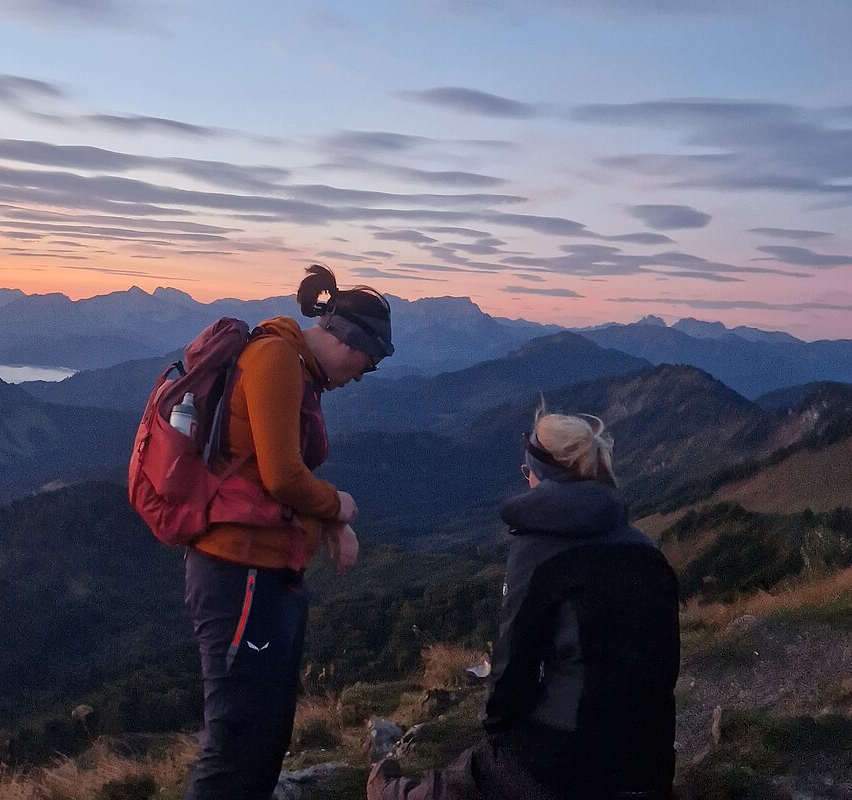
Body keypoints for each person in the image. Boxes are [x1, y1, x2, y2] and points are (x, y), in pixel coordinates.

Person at [368, 405, 680, 800]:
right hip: (648, 766)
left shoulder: (539, 552)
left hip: (567, 765)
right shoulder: (646, 551)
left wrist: (498, 734)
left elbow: (512, 666)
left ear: (544, 476)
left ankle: (387, 793)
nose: (527, 480)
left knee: (470, 777)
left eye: (527, 472)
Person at [184, 264, 394, 800]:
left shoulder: (299, 370)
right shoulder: (276, 358)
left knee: (267, 732)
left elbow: (270, 472)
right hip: (238, 572)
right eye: (367, 364)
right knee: (235, 737)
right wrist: (338, 508)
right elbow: (281, 475)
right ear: (348, 339)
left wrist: (323, 519)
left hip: (270, 569)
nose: (361, 377)